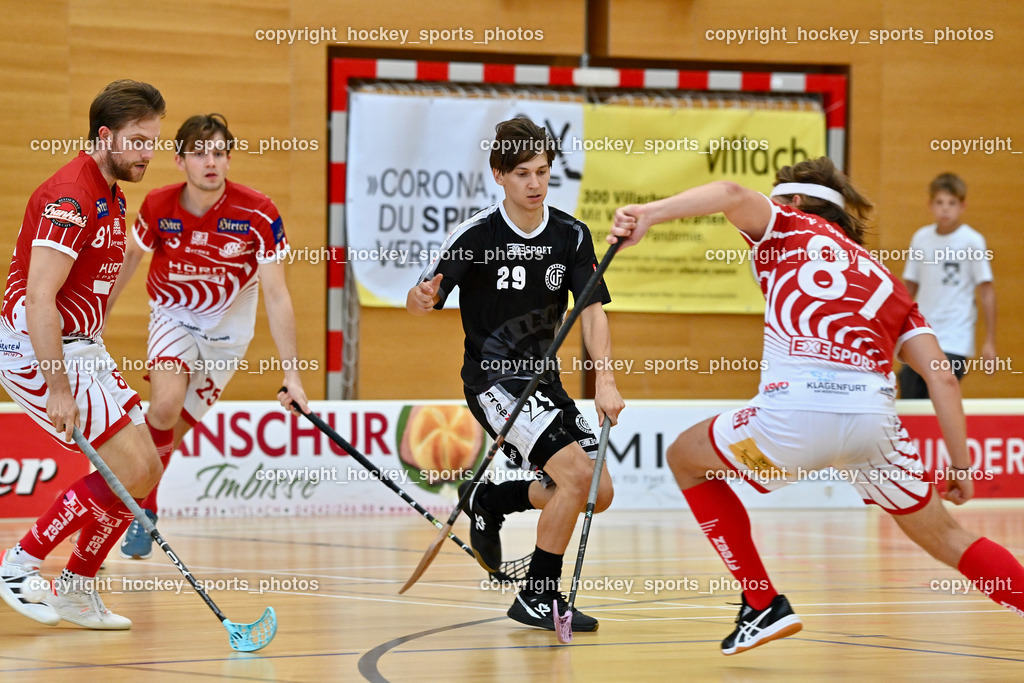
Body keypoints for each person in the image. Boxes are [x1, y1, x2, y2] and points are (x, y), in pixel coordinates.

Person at [609, 157, 1024, 655]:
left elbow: (729, 192)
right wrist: (961, 466)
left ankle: (761, 604)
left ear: (796, 201)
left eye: (776, 198)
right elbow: (943, 380)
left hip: (792, 421)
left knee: (684, 458)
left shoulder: (784, 225)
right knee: (950, 538)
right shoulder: (887, 283)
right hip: (874, 431)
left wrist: (650, 214)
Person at [406, 117, 624, 632]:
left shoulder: (571, 235)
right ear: (499, 174)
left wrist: (607, 380)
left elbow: (592, 311)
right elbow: (423, 300)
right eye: (523, 173)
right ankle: (538, 597)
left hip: (544, 383)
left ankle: (495, 498)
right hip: (493, 383)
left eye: (543, 172)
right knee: (573, 477)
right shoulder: (477, 234)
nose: (534, 184)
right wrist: (420, 300)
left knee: (599, 492)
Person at [0, 80, 166, 630]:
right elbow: (40, 298)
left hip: (80, 347)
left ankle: (77, 585)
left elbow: (94, 286)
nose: (148, 153)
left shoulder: (110, 192)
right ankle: (20, 565)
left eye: (154, 141)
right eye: (139, 141)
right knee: (126, 466)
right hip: (38, 348)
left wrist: (95, 347)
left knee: (145, 468)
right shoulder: (70, 196)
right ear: (105, 136)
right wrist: (59, 388)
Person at [106, 113, 309, 560]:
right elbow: (128, 260)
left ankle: (132, 488)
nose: (210, 161)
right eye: (199, 153)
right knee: (164, 404)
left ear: (229, 160)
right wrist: (95, 315)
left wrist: (292, 375)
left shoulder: (258, 213)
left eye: (218, 152)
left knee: (172, 437)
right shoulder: (158, 206)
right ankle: (143, 513)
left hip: (227, 336)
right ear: (179, 161)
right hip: (173, 316)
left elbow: (277, 296)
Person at [898, 173, 996, 398]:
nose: (945, 209)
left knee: (940, 390)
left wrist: (989, 341)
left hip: (956, 335)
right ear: (930, 205)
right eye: (940, 203)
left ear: (963, 206)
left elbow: (987, 291)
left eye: (951, 203)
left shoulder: (972, 241)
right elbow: (909, 287)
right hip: (923, 332)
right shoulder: (921, 238)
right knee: (910, 391)